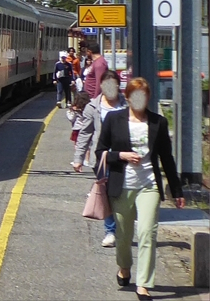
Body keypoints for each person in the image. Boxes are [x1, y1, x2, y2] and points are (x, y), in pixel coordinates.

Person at [96, 77, 184, 299]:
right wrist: (121, 155)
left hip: (149, 185)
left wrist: (177, 189)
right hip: (122, 184)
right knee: (123, 236)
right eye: (135, 96)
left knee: (147, 232)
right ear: (126, 97)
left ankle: (143, 283)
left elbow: (166, 157)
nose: (139, 101)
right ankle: (124, 267)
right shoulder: (114, 120)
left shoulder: (157, 123)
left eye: (143, 97)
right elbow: (100, 152)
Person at [74, 70, 124, 247]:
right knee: (108, 195)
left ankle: (124, 228)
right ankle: (110, 232)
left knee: (124, 194)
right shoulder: (93, 107)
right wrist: (78, 158)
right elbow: (85, 133)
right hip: (103, 157)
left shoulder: (127, 104)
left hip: (125, 157)